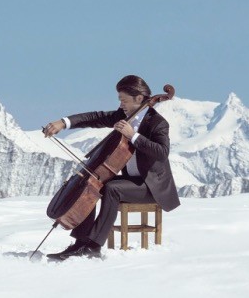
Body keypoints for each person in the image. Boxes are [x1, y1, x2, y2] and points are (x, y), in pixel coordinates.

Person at [42, 75, 180, 261]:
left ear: (139, 98)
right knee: (92, 184)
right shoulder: (124, 116)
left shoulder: (157, 123)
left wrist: (133, 136)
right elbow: (95, 117)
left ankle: (93, 246)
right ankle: (80, 243)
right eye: (119, 100)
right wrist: (63, 123)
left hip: (151, 187)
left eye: (124, 100)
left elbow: (162, 152)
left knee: (112, 188)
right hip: (131, 181)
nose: (121, 104)